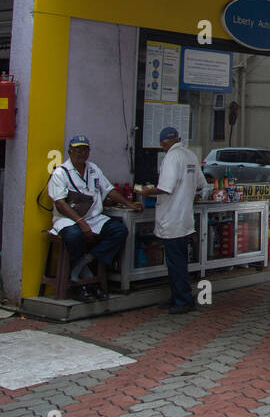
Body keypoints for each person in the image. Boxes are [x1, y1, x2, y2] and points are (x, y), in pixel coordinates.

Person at [50, 134, 140, 301]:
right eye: (78, 149)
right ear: (70, 152)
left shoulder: (93, 169)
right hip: (69, 219)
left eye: (85, 149)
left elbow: (109, 190)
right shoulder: (60, 173)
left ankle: (85, 262)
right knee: (75, 235)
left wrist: (130, 204)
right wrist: (80, 222)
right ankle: (85, 283)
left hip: (93, 218)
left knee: (119, 231)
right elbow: (60, 204)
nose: (82, 153)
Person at [138, 127, 205, 314]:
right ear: (179, 138)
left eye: (164, 145)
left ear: (162, 144)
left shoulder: (171, 157)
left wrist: (147, 191)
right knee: (179, 260)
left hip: (173, 218)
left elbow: (165, 188)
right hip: (184, 218)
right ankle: (178, 296)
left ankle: (183, 300)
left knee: (176, 262)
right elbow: (201, 184)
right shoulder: (190, 155)